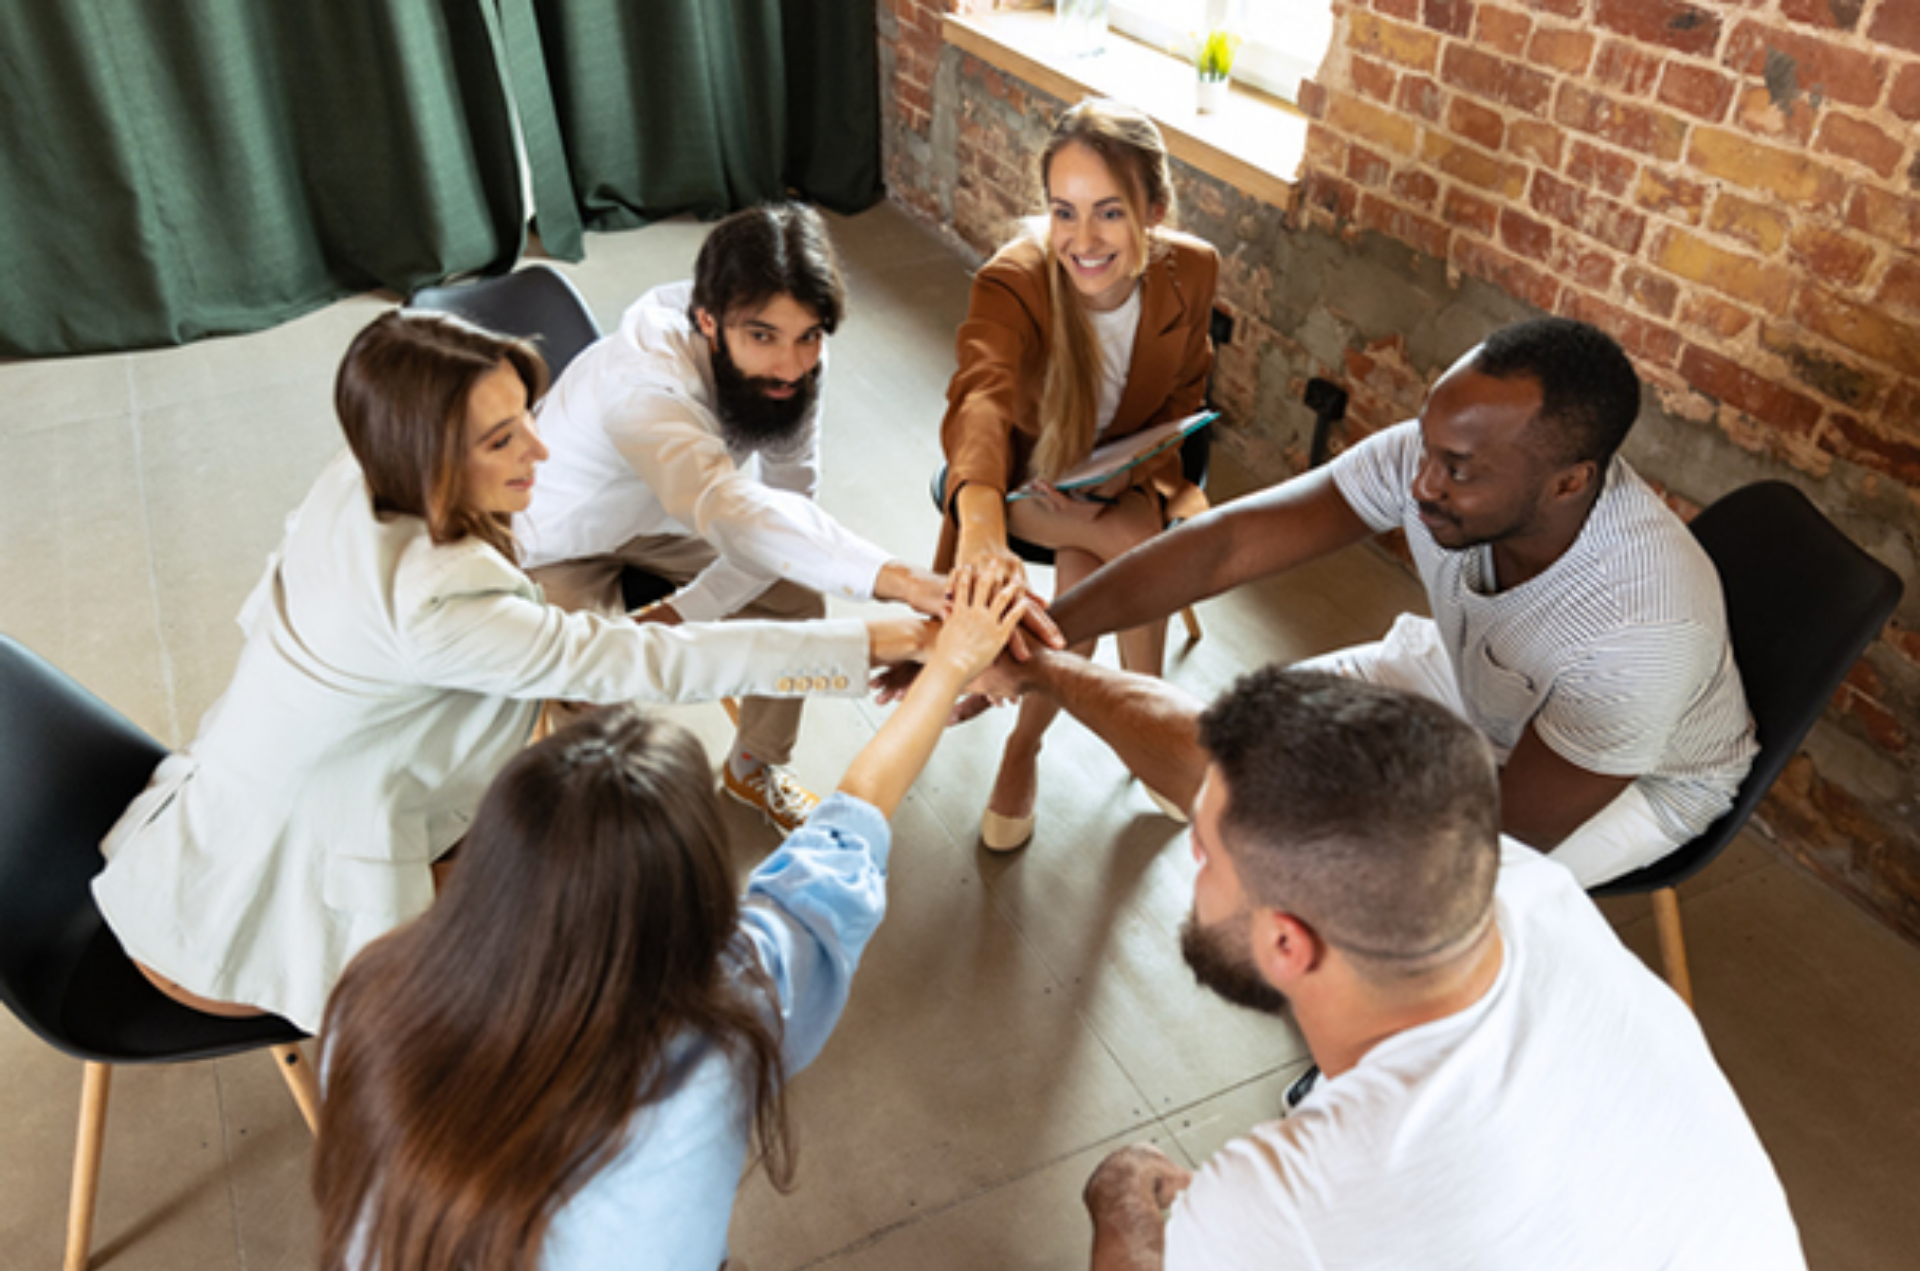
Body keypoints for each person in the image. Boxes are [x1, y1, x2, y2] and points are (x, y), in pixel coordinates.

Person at [1003, 666, 1871, 1271]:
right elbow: (1209, 759)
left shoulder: (1293, 1201)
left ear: (1287, 945)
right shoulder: (1529, 892)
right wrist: (1052, 669)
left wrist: (1118, 1201)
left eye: (1205, 854)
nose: (1193, 847)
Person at [311, 570, 1028, 1271]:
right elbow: (855, 822)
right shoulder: (725, 1031)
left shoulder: (375, 1000)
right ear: (694, 897)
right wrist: (950, 666)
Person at [92, 310, 934, 1034]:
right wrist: (888, 640)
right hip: (248, 924)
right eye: (501, 439)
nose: (541, 446)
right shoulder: (434, 600)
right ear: (425, 457)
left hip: (216, 839)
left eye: (527, 416)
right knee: (602, 919)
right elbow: (651, 663)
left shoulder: (354, 479)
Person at [987, 316, 1756, 886]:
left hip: (1640, 781)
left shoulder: (1639, 633)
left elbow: (1493, 839)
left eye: (1457, 469)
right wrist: (1034, 632)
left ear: (1567, 481)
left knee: (1402, 896)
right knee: (1244, 749)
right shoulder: (1443, 460)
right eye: (1426, 444)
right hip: (1477, 679)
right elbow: (1225, 545)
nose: (1421, 482)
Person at [515, 202, 952, 834]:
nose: (789, 366)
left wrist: (685, 610)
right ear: (707, 321)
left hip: (669, 522)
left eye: (809, 335)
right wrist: (905, 581)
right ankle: (602, 832)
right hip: (559, 534)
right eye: (762, 336)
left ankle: (754, 767)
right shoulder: (644, 385)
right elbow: (730, 510)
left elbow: (787, 502)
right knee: (591, 675)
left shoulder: (796, 366)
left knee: (795, 597)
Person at [935, 98, 1217, 853]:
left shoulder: (1192, 270)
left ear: (1154, 210)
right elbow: (981, 403)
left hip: (1120, 479)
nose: (1082, 241)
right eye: (1064, 212)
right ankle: (1154, 725)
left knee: (1089, 565)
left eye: (1109, 213)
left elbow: (1189, 394)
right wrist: (984, 535)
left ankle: (1025, 746)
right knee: (1135, 539)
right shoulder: (1014, 281)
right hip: (1013, 487)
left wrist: (1126, 474)